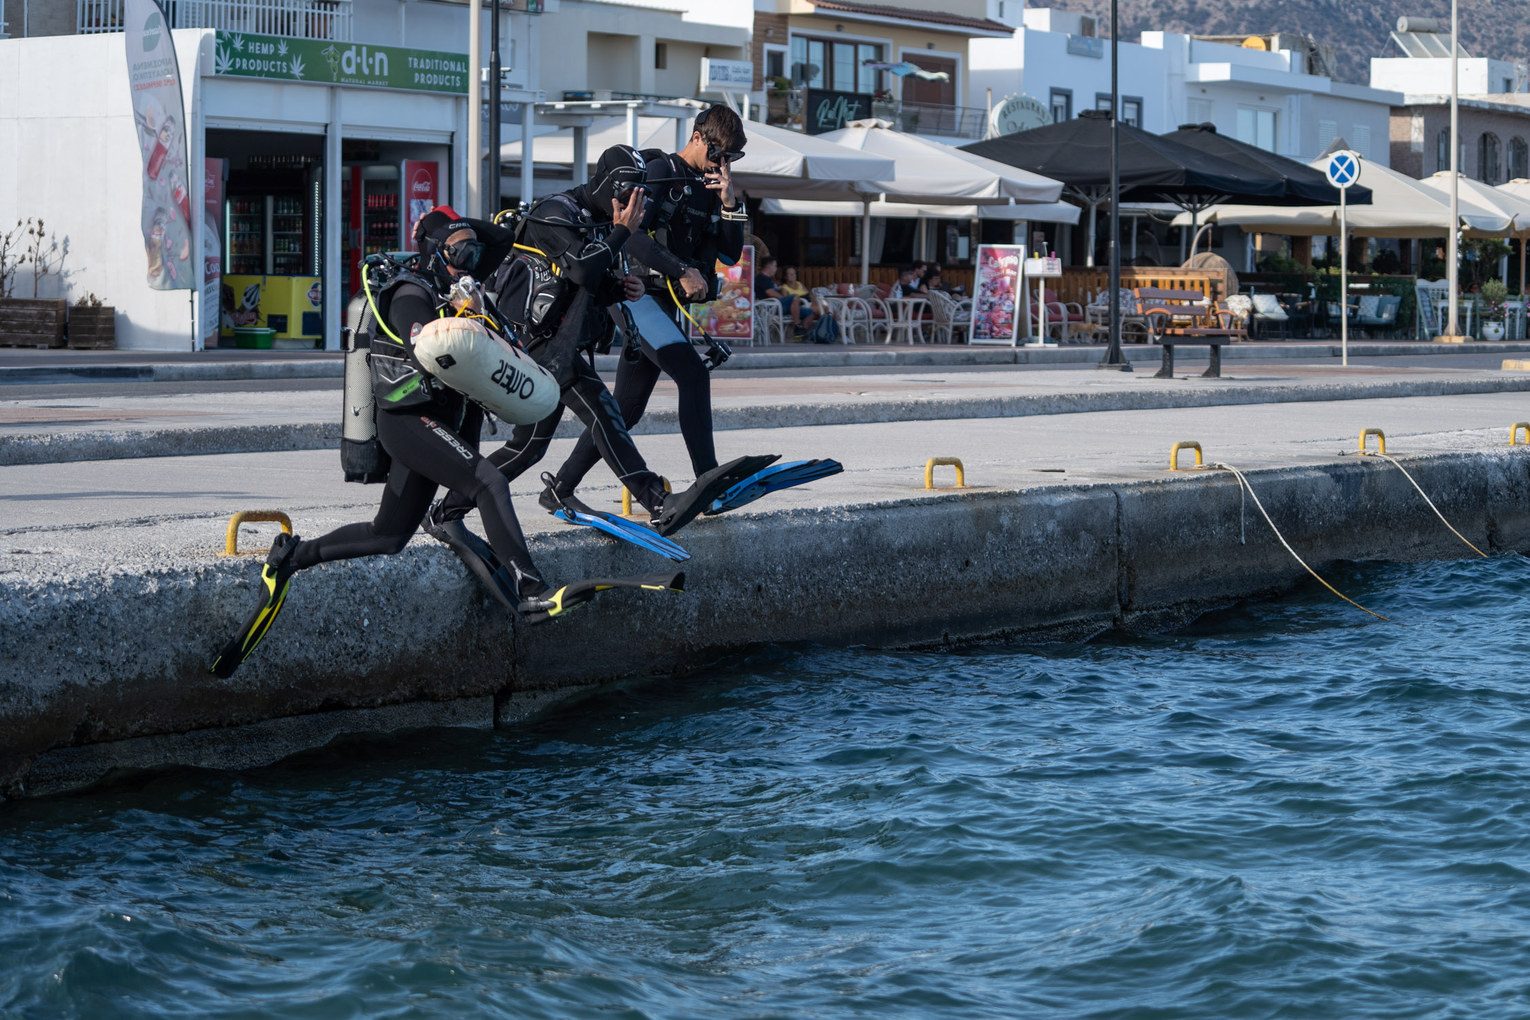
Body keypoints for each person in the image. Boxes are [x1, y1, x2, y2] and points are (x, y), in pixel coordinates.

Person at [210, 216, 681, 678]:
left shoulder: (459, 285)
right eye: (458, 252)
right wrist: (456, 290)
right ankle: (531, 588)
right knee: (488, 481)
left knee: (389, 535)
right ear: (434, 252)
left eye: (473, 252)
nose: (470, 260)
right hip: (408, 420)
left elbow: (500, 239)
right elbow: (423, 342)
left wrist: (465, 232)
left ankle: (290, 557)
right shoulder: (410, 292)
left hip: (439, 422)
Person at [425, 144, 775, 554]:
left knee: (528, 448)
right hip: (533, 345)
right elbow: (580, 267)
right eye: (627, 196)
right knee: (605, 411)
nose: (631, 206)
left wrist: (622, 287)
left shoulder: (594, 219)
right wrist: (623, 231)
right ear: (611, 187)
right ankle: (656, 500)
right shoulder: (554, 212)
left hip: (555, 345)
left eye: (636, 199)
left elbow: (590, 279)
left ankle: (446, 513)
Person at [543, 106, 794, 516]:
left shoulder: (711, 187)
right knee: (692, 375)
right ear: (697, 137)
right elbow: (627, 233)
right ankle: (708, 481)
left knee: (625, 407)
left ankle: (561, 487)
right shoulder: (660, 171)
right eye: (719, 153)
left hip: (666, 305)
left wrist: (729, 201)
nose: (723, 163)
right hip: (637, 294)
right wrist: (681, 268)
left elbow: (730, 253)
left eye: (731, 158)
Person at [754, 255, 817, 332]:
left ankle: (801, 332)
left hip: (778, 306)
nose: (776, 269)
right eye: (775, 266)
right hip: (770, 307)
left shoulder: (768, 279)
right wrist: (783, 298)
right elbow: (770, 292)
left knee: (810, 312)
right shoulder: (761, 278)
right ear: (768, 266)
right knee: (795, 297)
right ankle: (797, 324)